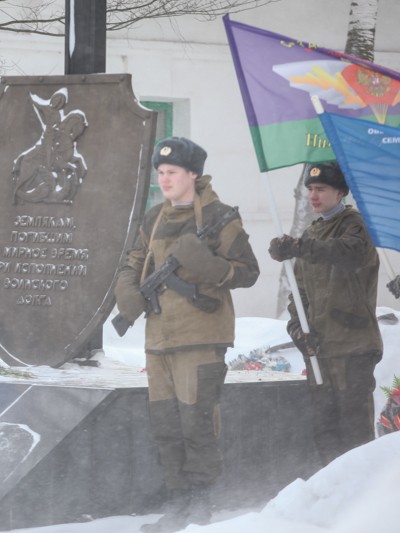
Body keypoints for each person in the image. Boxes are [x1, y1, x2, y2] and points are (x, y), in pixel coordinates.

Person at [114, 137, 259, 532]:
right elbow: (133, 261)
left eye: (172, 172)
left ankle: (200, 503)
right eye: (160, 173)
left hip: (201, 335)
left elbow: (248, 271)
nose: (164, 179)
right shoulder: (153, 218)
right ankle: (177, 502)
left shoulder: (219, 216)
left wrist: (210, 266)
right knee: (166, 423)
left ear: (193, 174)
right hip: (159, 337)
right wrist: (127, 291)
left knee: (197, 420)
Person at [268, 161, 382, 466]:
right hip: (320, 350)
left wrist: (298, 246)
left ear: (340, 192)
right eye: (310, 189)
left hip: (352, 348)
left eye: (321, 189)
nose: (313, 196)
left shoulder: (356, 225)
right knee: (324, 431)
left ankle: (359, 492)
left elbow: (347, 254)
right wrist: (297, 328)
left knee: (354, 435)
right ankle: (333, 491)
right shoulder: (312, 232)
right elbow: (299, 292)